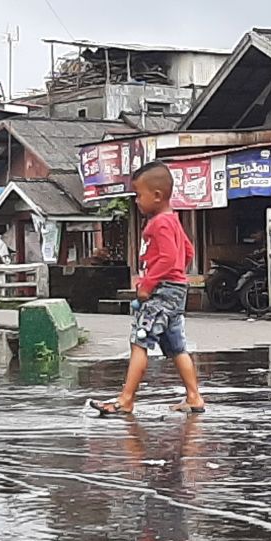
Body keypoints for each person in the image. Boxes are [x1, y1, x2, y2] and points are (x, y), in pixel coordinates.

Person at [88, 161, 205, 416]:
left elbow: (167, 257)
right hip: (176, 291)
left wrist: (148, 284)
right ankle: (194, 396)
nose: (137, 201)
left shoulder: (158, 224)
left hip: (160, 293)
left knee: (139, 341)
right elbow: (187, 252)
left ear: (157, 195)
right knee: (176, 347)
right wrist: (178, 276)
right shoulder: (172, 220)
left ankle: (126, 398)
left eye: (139, 195)